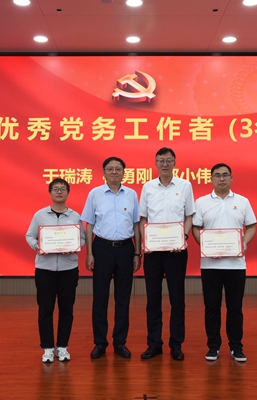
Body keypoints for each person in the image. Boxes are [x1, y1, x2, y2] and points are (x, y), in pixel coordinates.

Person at [191, 163, 257, 363]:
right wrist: (205, 245)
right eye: (217, 175)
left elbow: (251, 226)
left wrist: (244, 243)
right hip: (210, 265)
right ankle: (213, 346)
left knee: (235, 308)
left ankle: (236, 347)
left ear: (231, 178)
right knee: (211, 308)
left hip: (236, 265)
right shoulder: (201, 202)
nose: (221, 179)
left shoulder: (243, 201)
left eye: (225, 175)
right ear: (211, 178)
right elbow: (196, 228)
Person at [81, 157, 141, 359]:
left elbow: (136, 225)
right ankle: (100, 342)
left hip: (126, 249)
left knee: (123, 298)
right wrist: (90, 253)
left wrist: (137, 252)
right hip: (102, 248)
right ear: (104, 172)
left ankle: (120, 342)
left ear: (124, 172)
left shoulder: (131, 194)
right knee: (100, 298)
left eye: (118, 169)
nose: (114, 172)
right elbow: (89, 224)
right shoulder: (95, 194)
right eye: (110, 169)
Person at [139, 147, 195, 361]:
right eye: (161, 160)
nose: (165, 164)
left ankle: (176, 344)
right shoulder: (148, 187)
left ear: (174, 162)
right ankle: (154, 344)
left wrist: (183, 237)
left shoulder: (185, 185)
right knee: (152, 299)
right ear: (155, 163)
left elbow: (189, 216)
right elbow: (143, 218)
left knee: (177, 299)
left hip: (176, 251)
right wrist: (145, 241)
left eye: (169, 160)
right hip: (153, 251)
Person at [25, 178, 85, 363]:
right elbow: (29, 236)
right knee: (45, 309)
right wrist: (38, 246)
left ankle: (63, 347)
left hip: (69, 269)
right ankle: (48, 348)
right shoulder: (40, 215)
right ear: (50, 193)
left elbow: (82, 238)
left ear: (68, 193)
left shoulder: (75, 216)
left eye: (63, 189)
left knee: (67, 309)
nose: (59, 192)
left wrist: (75, 247)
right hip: (45, 269)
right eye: (56, 189)